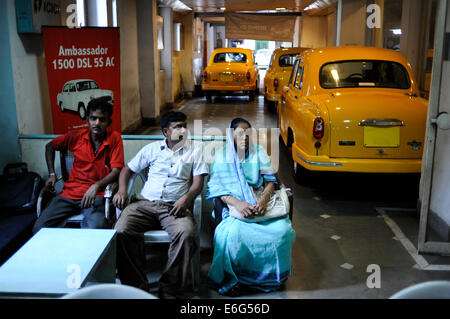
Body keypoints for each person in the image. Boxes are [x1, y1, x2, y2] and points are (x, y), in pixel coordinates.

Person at [113, 111, 209, 299]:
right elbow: (127, 170)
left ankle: (169, 288)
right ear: (166, 132)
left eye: (184, 126)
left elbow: (198, 183)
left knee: (186, 234)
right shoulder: (151, 149)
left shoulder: (195, 151)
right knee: (121, 231)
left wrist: (186, 199)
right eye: (177, 127)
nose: (183, 130)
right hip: (144, 204)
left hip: (174, 207)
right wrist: (122, 190)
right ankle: (137, 287)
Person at [206, 118, 296, 296]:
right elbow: (217, 189)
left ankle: (272, 278)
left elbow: (271, 181)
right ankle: (238, 279)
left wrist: (263, 201)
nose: (244, 138)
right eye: (240, 133)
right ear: (231, 135)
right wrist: (238, 204)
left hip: (260, 201)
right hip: (235, 205)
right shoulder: (221, 157)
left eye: (248, 134)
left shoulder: (259, 152)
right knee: (232, 236)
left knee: (282, 232)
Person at [32, 97, 124, 233]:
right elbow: (50, 146)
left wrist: (96, 185)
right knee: (39, 228)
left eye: (102, 119)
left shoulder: (114, 138)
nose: (97, 123)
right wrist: (52, 174)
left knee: (96, 229)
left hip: (96, 196)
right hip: (69, 194)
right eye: (93, 118)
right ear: (87, 119)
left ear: (108, 122)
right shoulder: (76, 137)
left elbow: (116, 170)